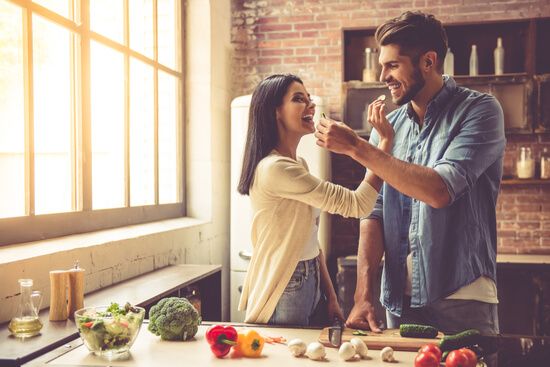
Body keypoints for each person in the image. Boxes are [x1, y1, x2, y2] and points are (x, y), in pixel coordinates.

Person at [315, 11, 505, 335]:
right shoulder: (387, 129)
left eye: (392, 65)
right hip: (399, 301)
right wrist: (364, 295)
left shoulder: (480, 111)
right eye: (382, 66)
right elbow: (372, 214)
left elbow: (439, 190)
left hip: (462, 294)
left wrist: (357, 147)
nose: (383, 76)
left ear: (428, 62)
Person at [237, 74, 394, 326]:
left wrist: (330, 296)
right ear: (275, 111)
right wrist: (383, 145)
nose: (310, 105)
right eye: (299, 99)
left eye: (309, 99)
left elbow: (309, 238)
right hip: (286, 284)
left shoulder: (297, 164)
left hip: (307, 277)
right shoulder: (275, 168)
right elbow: (359, 204)